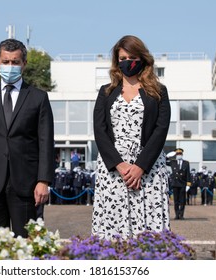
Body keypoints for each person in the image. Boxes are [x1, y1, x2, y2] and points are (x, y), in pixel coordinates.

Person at [0, 38, 54, 238]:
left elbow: (46, 142)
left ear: (24, 64)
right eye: (6, 62)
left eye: (15, 62)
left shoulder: (38, 98)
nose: (10, 66)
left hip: (27, 183)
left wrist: (44, 180)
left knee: (26, 242)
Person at [92, 35, 171, 239]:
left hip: (149, 169)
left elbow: (161, 130)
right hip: (113, 169)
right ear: (117, 62)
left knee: (148, 230)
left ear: (143, 59)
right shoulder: (106, 92)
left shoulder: (158, 91)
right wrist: (120, 165)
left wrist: (140, 167)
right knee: (112, 230)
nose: (127, 62)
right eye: (122, 57)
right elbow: (99, 131)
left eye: (132, 57)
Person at [167, 148, 191, 219]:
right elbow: (164, 161)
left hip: (183, 183)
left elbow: (188, 174)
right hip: (175, 184)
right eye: (177, 154)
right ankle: (177, 214)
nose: (179, 155)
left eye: (180, 154)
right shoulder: (172, 162)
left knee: (182, 200)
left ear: (182, 154)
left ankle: (181, 214)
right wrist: (169, 155)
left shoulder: (186, 163)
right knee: (176, 200)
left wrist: (188, 184)